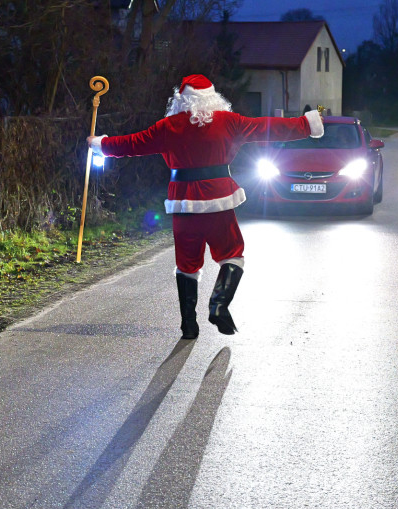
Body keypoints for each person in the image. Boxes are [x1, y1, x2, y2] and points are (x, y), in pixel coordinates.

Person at [88, 74, 323, 339]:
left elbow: (132, 143)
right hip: (219, 200)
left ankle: (188, 325)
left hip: (184, 202)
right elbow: (268, 127)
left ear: (181, 99)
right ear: (213, 98)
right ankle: (219, 304)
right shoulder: (229, 122)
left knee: (187, 263)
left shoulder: (168, 126)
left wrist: (100, 144)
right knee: (232, 253)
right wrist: (306, 124)